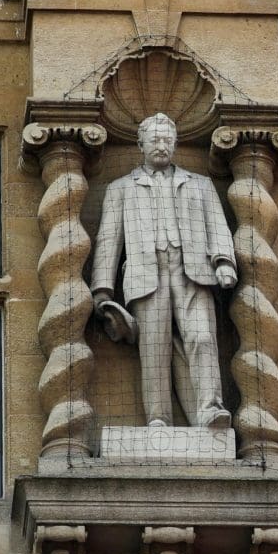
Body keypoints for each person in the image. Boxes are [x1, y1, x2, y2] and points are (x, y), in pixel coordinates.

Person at [91, 112, 237, 429]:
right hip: (145, 273)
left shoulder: (200, 184)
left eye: (167, 140)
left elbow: (218, 226)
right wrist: (102, 290)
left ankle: (211, 409)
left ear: (176, 144)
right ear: (141, 144)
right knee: (154, 348)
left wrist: (224, 261)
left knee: (202, 337)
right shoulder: (121, 188)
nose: (162, 145)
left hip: (194, 271)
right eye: (155, 140)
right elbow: (108, 239)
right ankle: (158, 417)